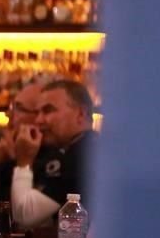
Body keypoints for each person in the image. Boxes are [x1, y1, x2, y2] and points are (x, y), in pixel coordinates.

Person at [10, 79, 96, 229]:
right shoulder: (79, 148)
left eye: (48, 110)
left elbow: (24, 215)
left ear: (81, 114)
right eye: (38, 112)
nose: (39, 119)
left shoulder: (80, 155)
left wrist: (23, 161)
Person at [0, 79, 56, 204]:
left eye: (18, 108)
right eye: (12, 107)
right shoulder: (6, 152)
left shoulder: (53, 161)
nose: (8, 114)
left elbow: (22, 217)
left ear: (40, 115)